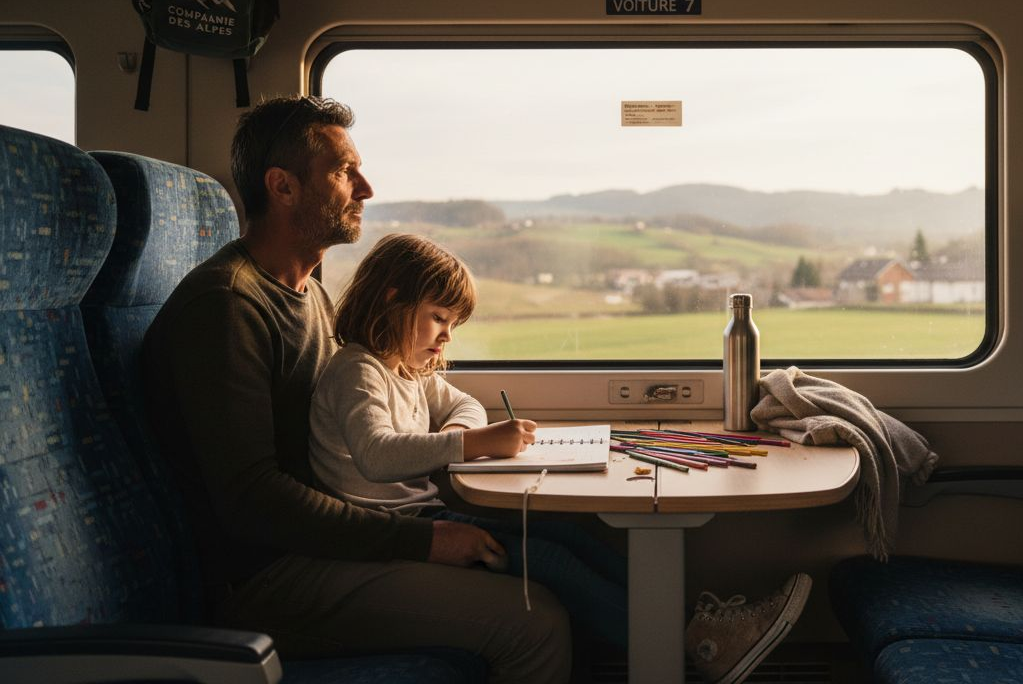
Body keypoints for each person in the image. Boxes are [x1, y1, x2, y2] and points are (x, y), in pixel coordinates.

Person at [142, 95, 570, 683]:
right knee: (535, 621)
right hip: (272, 575)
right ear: (283, 186)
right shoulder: (228, 306)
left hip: (323, 543)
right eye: (344, 172)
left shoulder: (309, 294)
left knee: (547, 552)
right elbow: (252, 501)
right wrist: (421, 540)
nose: (365, 188)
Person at [306, 232, 814, 683]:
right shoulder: (359, 370)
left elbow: (459, 402)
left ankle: (695, 629)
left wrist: (462, 427)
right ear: (392, 299)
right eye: (439, 318)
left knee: (568, 533)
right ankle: (693, 644)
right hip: (387, 533)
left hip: (422, 516)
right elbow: (375, 456)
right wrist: (472, 444)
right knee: (545, 557)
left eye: (453, 324)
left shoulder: (407, 370)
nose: (446, 336)